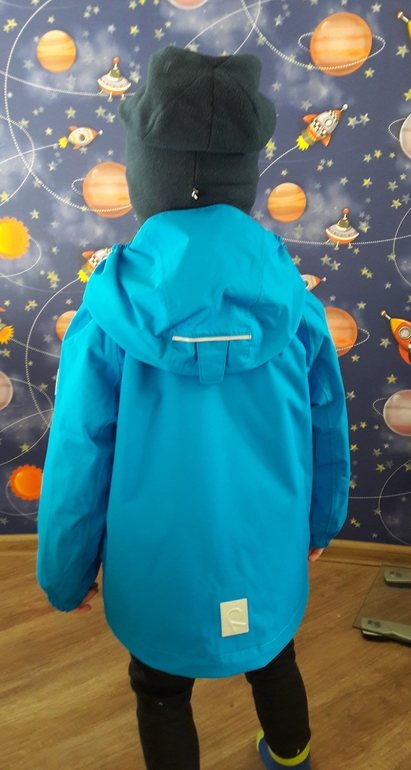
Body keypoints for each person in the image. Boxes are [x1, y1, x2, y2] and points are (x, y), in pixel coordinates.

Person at [37, 47, 350, 770]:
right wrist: (321, 522)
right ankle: (291, 755)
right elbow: (326, 429)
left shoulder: (107, 316)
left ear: (145, 175)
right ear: (245, 177)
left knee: (159, 690)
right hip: (264, 547)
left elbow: (80, 452)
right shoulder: (296, 306)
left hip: (157, 563)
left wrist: (65, 571)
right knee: (272, 656)